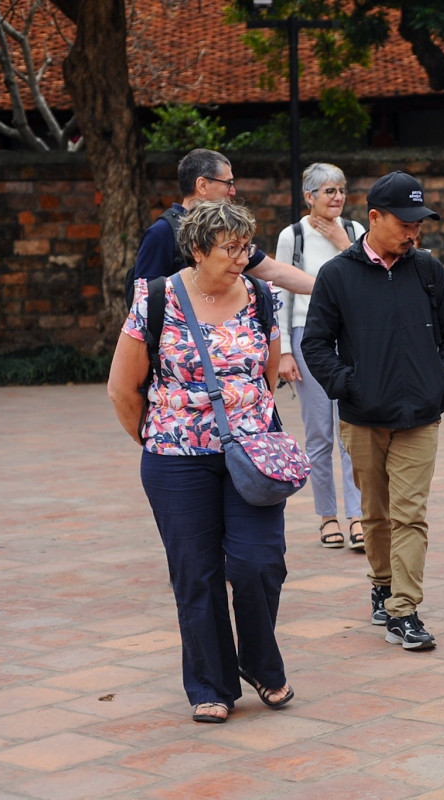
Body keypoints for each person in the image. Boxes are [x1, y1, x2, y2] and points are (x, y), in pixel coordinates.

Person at [107, 200, 294, 723]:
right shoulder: (157, 297)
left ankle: (258, 661)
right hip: (176, 459)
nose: (242, 258)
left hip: (252, 457)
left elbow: (268, 376)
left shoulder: (262, 296)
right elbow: (122, 389)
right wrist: (160, 439)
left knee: (260, 562)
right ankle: (210, 684)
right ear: (195, 250)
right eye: (229, 248)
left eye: (245, 246)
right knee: (197, 572)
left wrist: (246, 426)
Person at [300, 171, 444, 651]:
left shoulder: (428, 271)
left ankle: (404, 609)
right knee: (375, 514)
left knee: (409, 514)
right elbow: (315, 342)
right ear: (374, 218)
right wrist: (346, 385)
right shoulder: (337, 275)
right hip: (363, 417)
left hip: (421, 414)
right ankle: (380, 582)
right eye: (406, 223)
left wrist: (441, 378)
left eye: (420, 223)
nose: (415, 232)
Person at [274, 163, 367, 550]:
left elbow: (370, 275)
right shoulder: (291, 236)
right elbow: (277, 291)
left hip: (352, 337)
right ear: (309, 196)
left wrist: (343, 243)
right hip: (306, 337)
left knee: (353, 430)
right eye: (329, 191)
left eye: (342, 189)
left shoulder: (358, 231)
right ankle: (327, 516)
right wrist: (281, 351)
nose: (338, 197)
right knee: (319, 434)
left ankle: (358, 515)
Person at [132, 148, 314, 295]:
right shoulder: (162, 233)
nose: (233, 191)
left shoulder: (228, 231)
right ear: (202, 185)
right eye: (228, 183)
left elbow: (274, 271)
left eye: (237, 248)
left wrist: (328, 290)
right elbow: (143, 301)